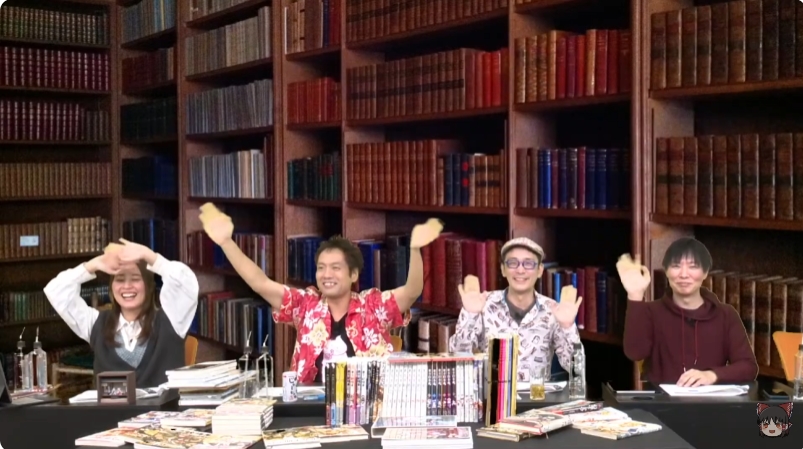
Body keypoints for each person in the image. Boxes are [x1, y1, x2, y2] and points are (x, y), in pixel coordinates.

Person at [198, 203, 442, 383]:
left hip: (366, 410)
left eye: (336, 268)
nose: (327, 275)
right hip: (310, 412)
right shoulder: (305, 305)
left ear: (353, 274)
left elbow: (412, 291)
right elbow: (259, 282)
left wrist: (415, 250)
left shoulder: (373, 305)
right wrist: (226, 243)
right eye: (321, 268)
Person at [43, 239, 199, 388]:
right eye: (119, 279)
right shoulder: (95, 323)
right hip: (111, 408)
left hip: (163, 407)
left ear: (149, 286)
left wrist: (150, 256)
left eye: (135, 279)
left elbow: (186, 284)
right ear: (111, 287)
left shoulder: (172, 319)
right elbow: (56, 291)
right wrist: (93, 265)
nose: (127, 286)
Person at [619, 237, 758, 388]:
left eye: (693, 266)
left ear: (705, 272)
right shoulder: (651, 312)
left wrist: (711, 375)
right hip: (662, 401)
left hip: (710, 400)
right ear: (666, 271)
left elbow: (749, 367)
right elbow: (635, 353)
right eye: (676, 266)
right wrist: (635, 295)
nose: (684, 275)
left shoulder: (726, 315)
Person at [447, 237, 584, 380]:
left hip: (536, 394)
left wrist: (568, 327)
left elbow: (576, 369)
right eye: (513, 263)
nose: (520, 270)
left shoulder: (554, 310)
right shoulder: (482, 304)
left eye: (528, 263)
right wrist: (470, 315)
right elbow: (458, 359)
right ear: (503, 269)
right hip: (492, 393)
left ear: (539, 270)